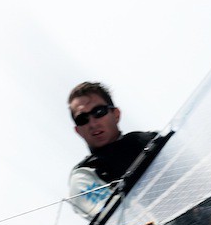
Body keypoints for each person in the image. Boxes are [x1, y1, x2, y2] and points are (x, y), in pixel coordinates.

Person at [67, 82, 156, 216]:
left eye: (99, 112)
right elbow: (121, 221)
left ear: (116, 114)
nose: (92, 123)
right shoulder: (84, 176)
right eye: (82, 119)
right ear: (78, 130)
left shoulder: (152, 140)